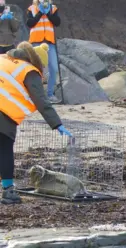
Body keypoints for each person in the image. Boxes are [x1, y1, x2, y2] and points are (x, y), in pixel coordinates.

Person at [0, 41, 72, 205]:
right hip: (2, 111)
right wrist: (57, 124)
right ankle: (8, 190)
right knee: (4, 149)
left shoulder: (4, 58)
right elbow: (41, 100)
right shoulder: (29, 71)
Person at [26, 0, 61, 104]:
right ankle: (35, 95)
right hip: (36, 42)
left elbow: (57, 22)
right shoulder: (32, 8)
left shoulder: (53, 8)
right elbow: (30, 23)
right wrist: (40, 12)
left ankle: (50, 94)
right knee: (36, 69)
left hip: (49, 42)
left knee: (53, 68)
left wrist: (48, 13)